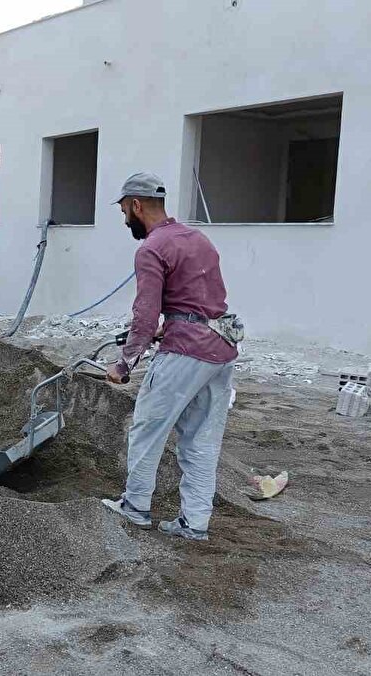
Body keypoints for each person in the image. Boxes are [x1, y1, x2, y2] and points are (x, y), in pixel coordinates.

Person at [101, 173, 240, 542]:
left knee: (148, 428)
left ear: (135, 205)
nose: (124, 219)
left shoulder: (151, 248)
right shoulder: (197, 238)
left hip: (187, 352)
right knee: (201, 439)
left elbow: (145, 315)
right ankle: (194, 523)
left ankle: (135, 507)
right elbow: (199, 300)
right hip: (221, 346)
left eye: (124, 211)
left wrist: (124, 363)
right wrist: (172, 323)